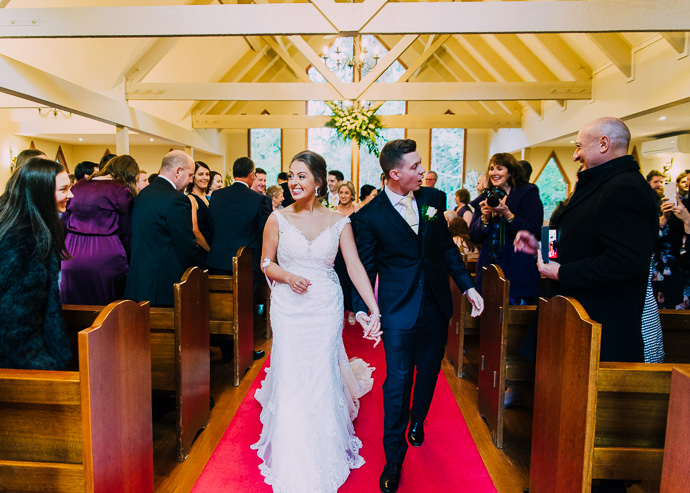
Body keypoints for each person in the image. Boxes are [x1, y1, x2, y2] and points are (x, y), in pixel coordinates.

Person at [351, 139, 483, 493]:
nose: (422, 171)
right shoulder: (369, 216)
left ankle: (418, 419)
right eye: (415, 167)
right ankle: (393, 458)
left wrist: (468, 286)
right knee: (397, 381)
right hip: (397, 309)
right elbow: (363, 267)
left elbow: (443, 248)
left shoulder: (431, 201)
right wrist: (362, 308)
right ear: (394, 174)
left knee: (429, 371)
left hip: (436, 305)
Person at [251, 150, 382, 493]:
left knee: (321, 372)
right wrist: (288, 276)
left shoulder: (339, 221)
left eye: (301, 176)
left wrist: (373, 307)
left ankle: (323, 447)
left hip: (325, 305)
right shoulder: (276, 218)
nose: (293, 182)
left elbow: (354, 266)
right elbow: (266, 264)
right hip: (289, 306)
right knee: (294, 372)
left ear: (319, 182)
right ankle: (291, 449)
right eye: (291, 176)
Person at [515, 116, 658, 363]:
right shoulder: (595, 182)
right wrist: (542, 246)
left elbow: (625, 261)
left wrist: (562, 273)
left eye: (579, 146)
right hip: (571, 314)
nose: (575, 155)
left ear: (604, 144)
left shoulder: (626, 188)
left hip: (598, 321)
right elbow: (568, 229)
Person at [0, 158, 73, 369]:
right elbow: (16, 324)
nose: (71, 194)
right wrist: (45, 368)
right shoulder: (28, 240)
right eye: (64, 189)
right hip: (22, 362)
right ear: (40, 193)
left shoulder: (18, 225)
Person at [207, 157, 271, 361]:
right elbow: (264, 233)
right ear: (251, 175)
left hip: (217, 259)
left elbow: (211, 226)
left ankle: (226, 351)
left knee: (222, 307)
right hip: (245, 262)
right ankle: (244, 351)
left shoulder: (217, 195)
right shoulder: (259, 200)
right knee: (245, 308)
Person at [61, 155, 139, 305]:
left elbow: (64, 221)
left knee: (74, 302)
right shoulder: (120, 190)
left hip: (71, 252)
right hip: (105, 252)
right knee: (107, 307)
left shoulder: (79, 185)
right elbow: (127, 231)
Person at [124, 150, 198, 307]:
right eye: (191, 175)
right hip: (163, 283)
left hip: (139, 281)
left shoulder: (143, 195)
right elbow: (185, 246)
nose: (191, 180)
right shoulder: (177, 200)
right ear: (178, 171)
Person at [469, 153, 543, 302]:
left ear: (510, 171)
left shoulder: (527, 193)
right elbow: (474, 236)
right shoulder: (486, 196)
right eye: (491, 169)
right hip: (487, 271)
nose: (494, 173)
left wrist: (507, 214)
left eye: (499, 168)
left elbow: (534, 231)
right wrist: (485, 218)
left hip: (517, 271)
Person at [187, 161, 212, 268]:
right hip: (201, 250)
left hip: (210, 248)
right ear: (193, 177)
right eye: (200, 174)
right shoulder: (191, 199)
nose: (205, 178)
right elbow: (194, 231)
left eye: (207, 174)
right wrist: (210, 250)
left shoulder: (207, 199)